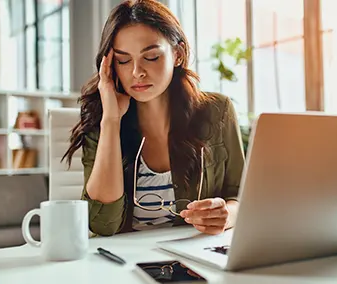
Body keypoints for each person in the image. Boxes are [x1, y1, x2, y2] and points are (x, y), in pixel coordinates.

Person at [63, 0, 245, 237]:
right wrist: (111, 120)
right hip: (123, 263)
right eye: (123, 60)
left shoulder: (217, 111)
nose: (137, 72)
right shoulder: (101, 118)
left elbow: (241, 194)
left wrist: (227, 215)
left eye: (151, 57)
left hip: (194, 256)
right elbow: (102, 224)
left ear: (177, 54)